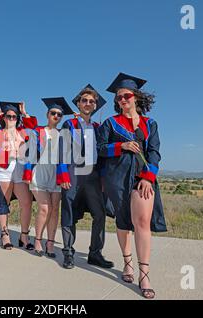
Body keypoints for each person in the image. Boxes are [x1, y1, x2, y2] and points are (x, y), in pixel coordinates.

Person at [98, 73, 167, 299]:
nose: (122, 100)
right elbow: (99, 149)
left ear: (135, 97)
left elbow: (154, 152)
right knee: (123, 220)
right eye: (118, 98)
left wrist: (148, 177)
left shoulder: (150, 124)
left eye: (126, 96)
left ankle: (144, 274)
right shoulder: (110, 123)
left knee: (142, 222)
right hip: (117, 177)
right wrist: (121, 146)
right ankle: (127, 262)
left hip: (142, 177)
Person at [58, 84, 114, 270]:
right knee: (69, 211)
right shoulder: (69, 124)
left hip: (93, 176)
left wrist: (104, 179)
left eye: (92, 101)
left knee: (99, 213)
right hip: (73, 173)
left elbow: (103, 153)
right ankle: (68, 252)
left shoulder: (99, 127)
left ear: (95, 105)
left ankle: (95, 253)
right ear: (79, 103)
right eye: (84, 100)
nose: (88, 103)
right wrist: (63, 174)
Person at [23, 97, 73, 258]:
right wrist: (27, 173)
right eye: (53, 113)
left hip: (56, 174)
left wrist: (77, 119)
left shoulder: (63, 134)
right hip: (39, 172)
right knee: (45, 207)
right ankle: (38, 239)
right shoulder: (38, 131)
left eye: (59, 114)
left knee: (55, 209)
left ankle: (50, 243)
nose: (56, 116)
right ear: (47, 114)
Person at [0, 102, 37, 250]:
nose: (11, 119)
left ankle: (24, 236)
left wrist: (24, 112)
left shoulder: (23, 132)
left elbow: (33, 127)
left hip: (20, 169)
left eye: (14, 117)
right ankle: (5, 234)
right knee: (4, 203)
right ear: (3, 118)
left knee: (26, 202)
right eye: (8, 116)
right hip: (3, 169)